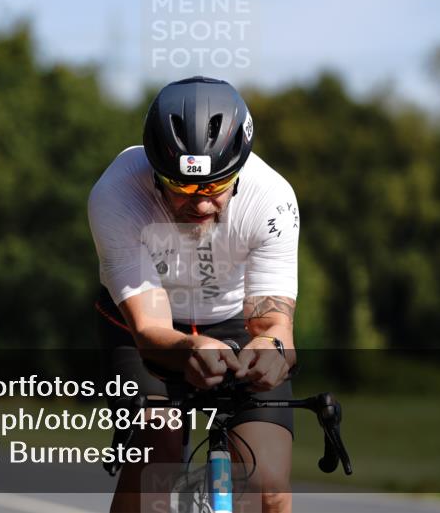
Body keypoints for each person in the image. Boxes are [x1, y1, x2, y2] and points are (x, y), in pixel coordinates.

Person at [88, 76, 300, 513]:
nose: (201, 204)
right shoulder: (116, 194)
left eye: (215, 187)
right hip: (141, 324)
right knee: (157, 467)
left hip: (233, 321)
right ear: (155, 172)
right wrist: (188, 348)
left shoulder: (272, 199)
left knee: (269, 487)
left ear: (239, 170)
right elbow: (150, 328)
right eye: (183, 187)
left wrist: (272, 350)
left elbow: (274, 325)